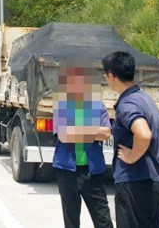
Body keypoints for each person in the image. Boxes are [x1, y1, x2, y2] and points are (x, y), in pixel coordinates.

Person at [102, 51, 159, 227]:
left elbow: (144, 134)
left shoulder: (127, 104)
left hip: (134, 184)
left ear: (111, 75)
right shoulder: (146, 99)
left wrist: (132, 156)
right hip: (155, 182)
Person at [52, 64, 113, 228]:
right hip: (67, 171)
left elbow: (106, 133)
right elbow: (63, 135)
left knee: (103, 220)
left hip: (92, 172)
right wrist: (92, 130)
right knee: (71, 220)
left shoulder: (98, 107)